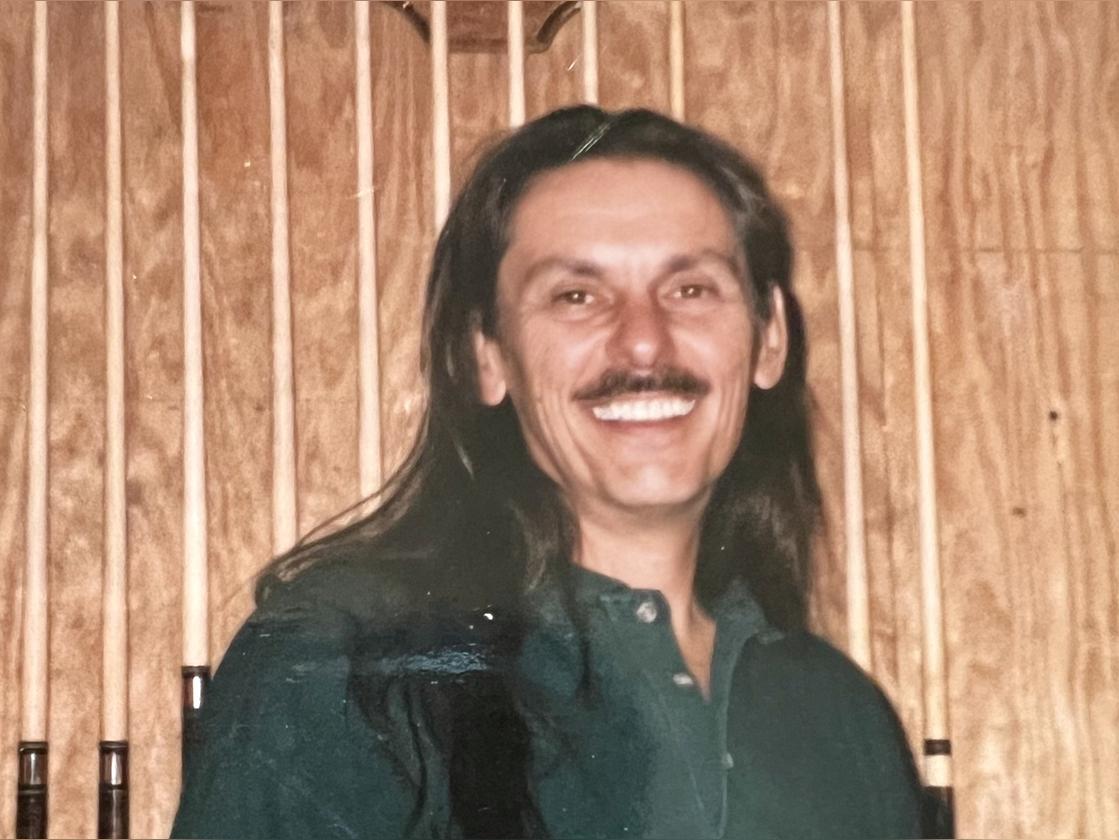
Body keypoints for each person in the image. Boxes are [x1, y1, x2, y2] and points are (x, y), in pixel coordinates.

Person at [171, 106, 923, 839]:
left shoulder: (842, 718)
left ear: (769, 339)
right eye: (576, 296)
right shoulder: (344, 666)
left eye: (690, 289)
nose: (642, 342)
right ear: (487, 357)